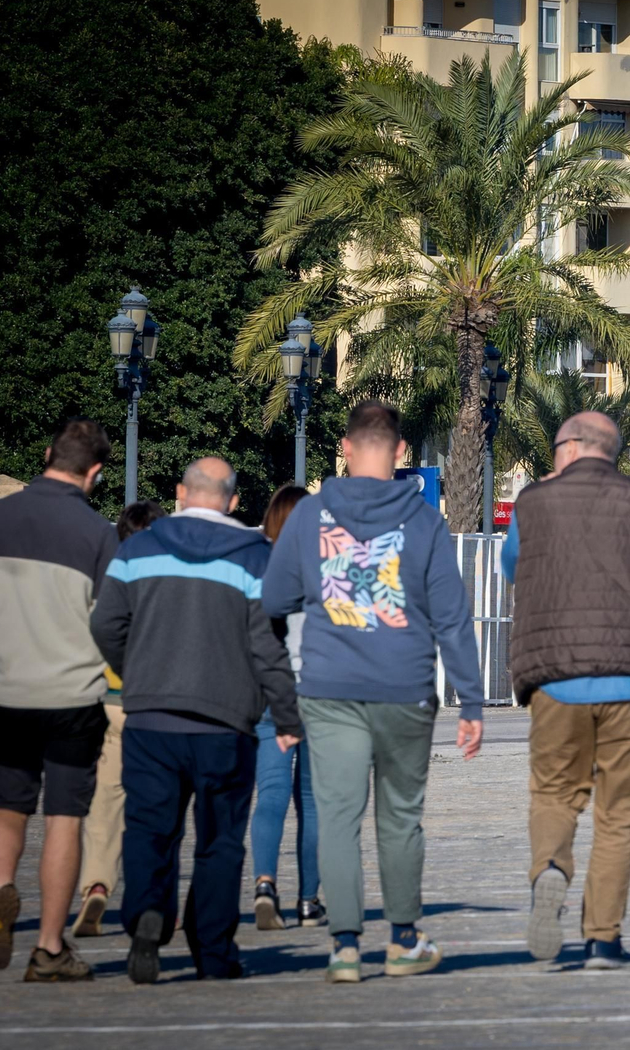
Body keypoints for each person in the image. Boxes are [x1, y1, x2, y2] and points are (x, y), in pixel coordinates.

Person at [263, 400, 485, 984]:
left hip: (329, 689)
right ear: (401, 453)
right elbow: (453, 618)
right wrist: (472, 700)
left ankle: (342, 947)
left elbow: (272, 603)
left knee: (337, 817)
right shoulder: (423, 523)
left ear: (344, 447)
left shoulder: (310, 518)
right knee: (400, 818)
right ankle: (404, 939)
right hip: (404, 688)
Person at [90, 457, 301, 984]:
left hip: (150, 720)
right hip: (226, 724)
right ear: (232, 501)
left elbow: (105, 623)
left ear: (182, 492)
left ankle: (145, 914)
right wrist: (287, 710)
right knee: (220, 840)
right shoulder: (257, 558)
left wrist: (135, 670)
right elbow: (268, 648)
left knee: (149, 827)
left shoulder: (136, 550)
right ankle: (213, 950)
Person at [507, 412, 630, 970]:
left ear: (568, 449)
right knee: (617, 816)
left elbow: (512, 567)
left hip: (554, 679)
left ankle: (549, 868)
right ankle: (603, 940)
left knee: (554, 795)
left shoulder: (532, 503)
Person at [0, 418, 115, 980]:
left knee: (6, 804)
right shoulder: (97, 534)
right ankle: (47, 946)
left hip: (3, 689)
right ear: (94, 473)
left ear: (46, 454)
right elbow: (112, 621)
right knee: (65, 817)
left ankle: (1, 887)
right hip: (70, 695)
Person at [73, 500, 165, 939]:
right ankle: (154, 899)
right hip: (156, 702)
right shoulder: (170, 578)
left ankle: (96, 883)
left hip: (111, 698)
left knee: (104, 801)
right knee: (156, 806)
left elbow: (98, 630)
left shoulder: (111, 576)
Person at [250, 485, 324, 930]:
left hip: (270, 694)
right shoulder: (324, 569)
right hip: (318, 694)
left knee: (271, 794)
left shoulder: (260, 566)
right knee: (313, 804)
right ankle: (309, 901)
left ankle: (264, 884)